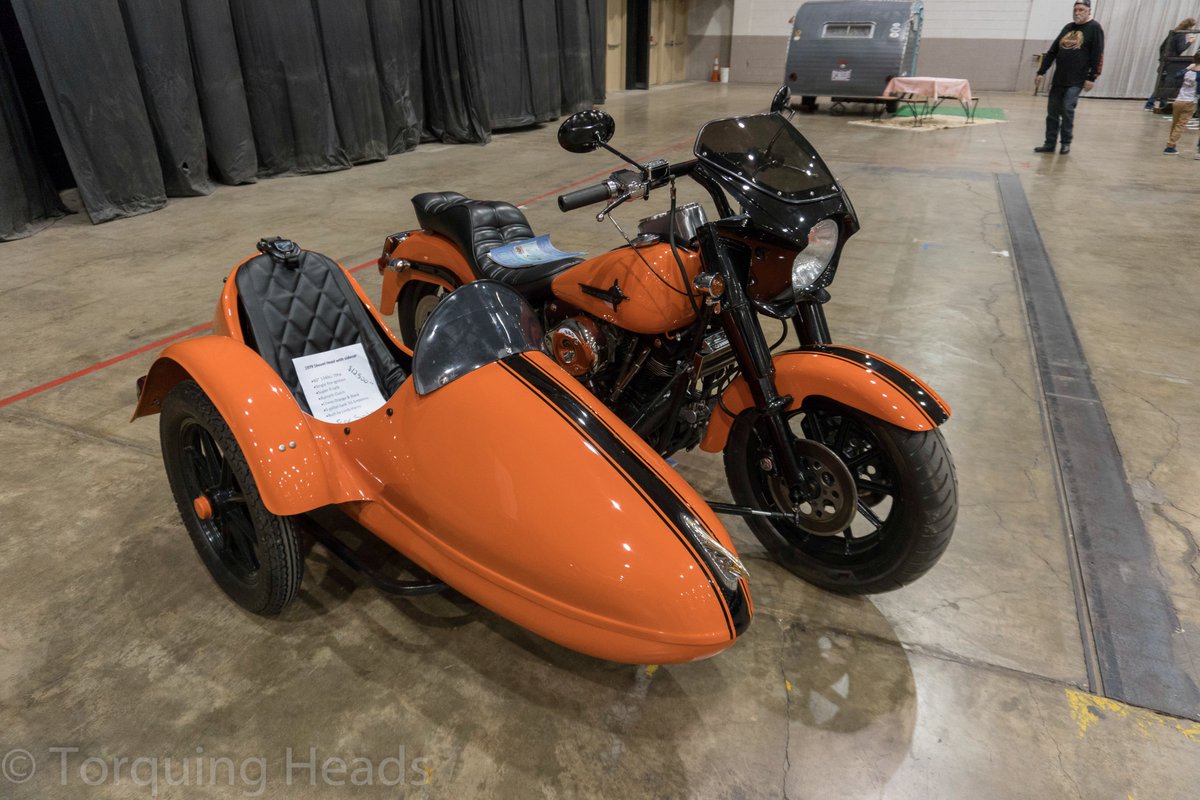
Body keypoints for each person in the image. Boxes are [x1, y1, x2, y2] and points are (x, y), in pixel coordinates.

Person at [1033, 1, 1105, 155]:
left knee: (1067, 109)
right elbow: (1053, 50)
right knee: (1052, 111)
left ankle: (1065, 143)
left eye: (1081, 10)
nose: (1077, 12)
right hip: (1059, 78)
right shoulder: (1068, 27)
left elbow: (1098, 54)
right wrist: (1041, 71)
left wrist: (1092, 77)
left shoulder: (1094, 28)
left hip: (1077, 80)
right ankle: (1049, 143)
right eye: (1075, 9)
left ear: (1088, 11)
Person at [1145, 18, 1196, 111]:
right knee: (1166, 84)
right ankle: (1150, 104)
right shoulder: (1180, 34)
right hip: (1171, 63)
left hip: (1165, 61)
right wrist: (1190, 42)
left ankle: (1161, 104)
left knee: (1164, 84)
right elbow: (1181, 48)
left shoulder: (1173, 33)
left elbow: (1162, 47)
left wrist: (1162, 59)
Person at [1163, 53, 1200, 156]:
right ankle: (1170, 147)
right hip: (1190, 102)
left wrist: (1188, 67)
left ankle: (1171, 145)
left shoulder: (1187, 72)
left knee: (1175, 124)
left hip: (1179, 100)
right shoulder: (1198, 75)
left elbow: (1177, 75)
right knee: (1180, 125)